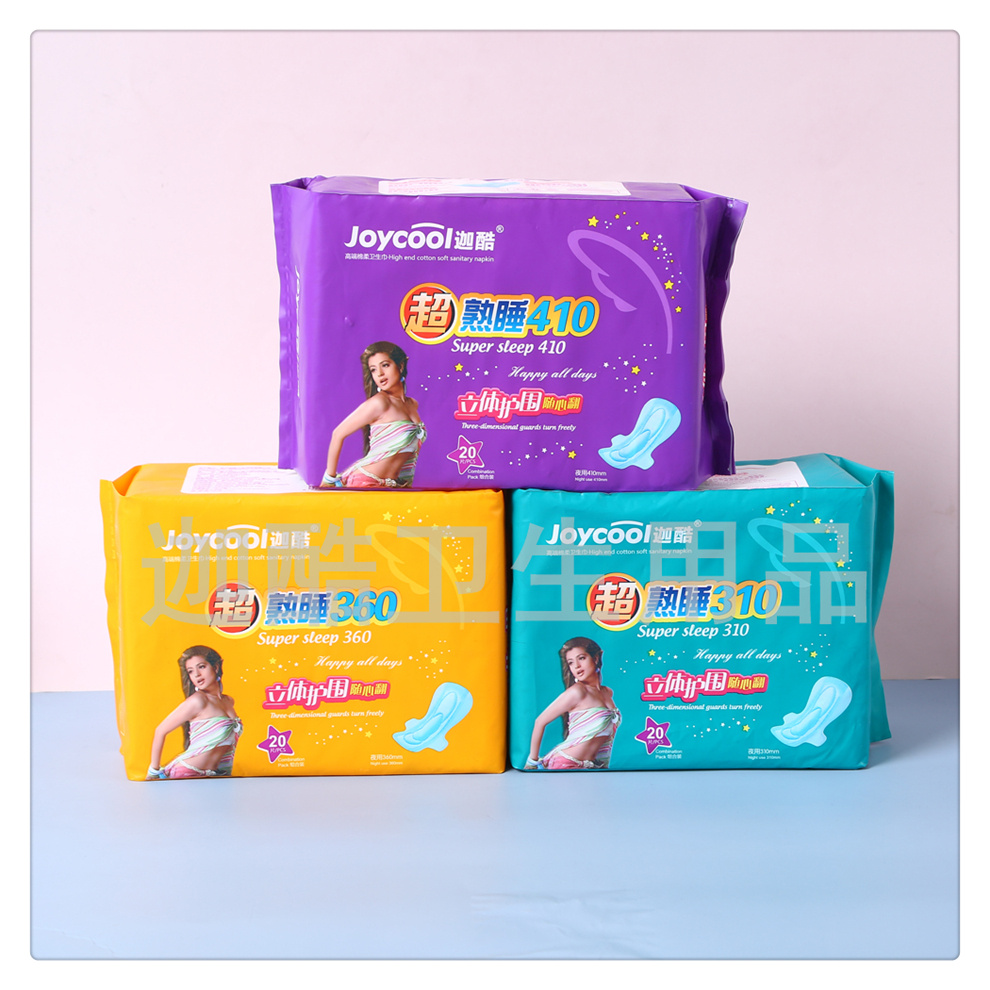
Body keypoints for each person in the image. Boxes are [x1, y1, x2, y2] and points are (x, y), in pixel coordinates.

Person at [320, 341, 426, 488]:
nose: (380, 373)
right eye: (373, 370)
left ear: (400, 366)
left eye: (385, 365)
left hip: (394, 486)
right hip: (366, 482)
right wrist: (328, 480)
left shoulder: (412, 404)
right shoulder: (379, 403)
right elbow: (338, 434)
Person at [146, 646, 242, 779]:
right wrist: (153, 772)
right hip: (187, 773)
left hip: (216, 775)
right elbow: (160, 731)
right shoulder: (198, 701)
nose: (196, 674)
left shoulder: (229, 701)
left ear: (216, 667)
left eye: (201, 667)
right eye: (190, 671)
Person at [526, 636, 621, 770]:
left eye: (581, 658)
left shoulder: (607, 692)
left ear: (595, 658)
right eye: (570, 662)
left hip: (594, 766)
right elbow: (540, 721)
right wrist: (532, 762)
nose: (576, 666)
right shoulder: (577, 692)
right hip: (566, 764)